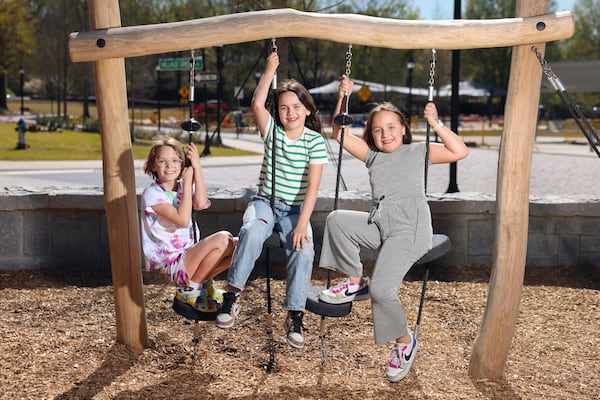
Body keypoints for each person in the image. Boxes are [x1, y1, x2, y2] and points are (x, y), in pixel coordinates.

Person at [318, 76, 469, 382]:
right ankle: (352, 280)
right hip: (381, 223)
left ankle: (405, 342)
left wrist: (436, 123)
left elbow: (459, 151)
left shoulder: (418, 152)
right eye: (378, 129)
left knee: (383, 291)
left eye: (390, 127)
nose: (385, 134)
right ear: (371, 135)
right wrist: (343, 97)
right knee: (337, 219)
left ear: (402, 128)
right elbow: (338, 131)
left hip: (410, 228)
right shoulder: (372, 156)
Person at [216, 52, 328, 349]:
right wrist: (268, 70)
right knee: (252, 231)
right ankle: (231, 297)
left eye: (295, 107)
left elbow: (313, 189)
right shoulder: (272, 133)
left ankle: (294, 314)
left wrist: (303, 225)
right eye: (283, 108)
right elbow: (256, 103)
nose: (290, 112)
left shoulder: (315, 142)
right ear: (277, 112)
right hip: (265, 202)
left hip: (295, 211)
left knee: (303, 250)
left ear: (306, 109)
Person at [140, 135, 237, 312]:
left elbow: (200, 203)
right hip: (173, 263)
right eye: (162, 161)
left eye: (175, 160)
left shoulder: (182, 188)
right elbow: (183, 219)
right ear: (154, 165)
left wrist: (197, 167)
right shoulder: (152, 194)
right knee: (223, 238)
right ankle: (191, 290)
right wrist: (186, 183)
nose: (169, 166)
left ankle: (204, 284)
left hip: (189, 257)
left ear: (182, 164)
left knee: (238, 245)